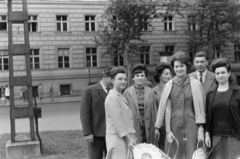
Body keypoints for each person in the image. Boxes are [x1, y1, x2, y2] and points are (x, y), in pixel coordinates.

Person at [155, 51, 206, 159]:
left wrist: (201, 129)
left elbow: (201, 108)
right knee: (175, 154)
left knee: (192, 154)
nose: (179, 69)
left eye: (181, 66)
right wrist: (168, 131)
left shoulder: (196, 84)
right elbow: (167, 109)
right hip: (174, 127)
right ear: (173, 68)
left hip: (192, 126)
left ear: (186, 66)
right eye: (176, 66)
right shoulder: (168, 85)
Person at [205, 58, 240, 159]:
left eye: (223, 72)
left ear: (229, 73)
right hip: (215, 136)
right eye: (218, 73)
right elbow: (207, 116)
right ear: (215, 76)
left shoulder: (237, 92)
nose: (221, 75)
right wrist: (207, 134)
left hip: (234, 136)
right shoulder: (210, 94)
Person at [80, 66, 113, 159]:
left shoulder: (115, 91)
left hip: (112, 134)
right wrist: (88, 133)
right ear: (106, 77)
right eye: (113, 79)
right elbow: (85, 113)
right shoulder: (90, 90)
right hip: (96, 135)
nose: (114, 82)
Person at [105, 66, 136, 159]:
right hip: (118, 139)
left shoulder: (120, 95)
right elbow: (118, 121)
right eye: (120, 79)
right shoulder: (113, 97)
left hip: (124, 138)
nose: (123, 81)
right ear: (113, 81)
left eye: (125, 79)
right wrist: (128, 140)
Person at [124, 63, 158, 146]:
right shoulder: (127, 92)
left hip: (149, 125)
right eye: (137, 75)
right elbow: (125, 112)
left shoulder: (151, 91)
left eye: (142, 75)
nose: (140, 78)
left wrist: (157, 128)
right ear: (133, 77)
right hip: (134, 126)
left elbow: (155, 110)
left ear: (146, 77)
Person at [152, 62, 172, 150]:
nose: (169, 76)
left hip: (173, 124)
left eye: (170, 74)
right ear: (160, 76)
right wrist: (157, 128)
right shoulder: (154, 91)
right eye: (166, 74)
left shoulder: (173, 88)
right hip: (161, 126)